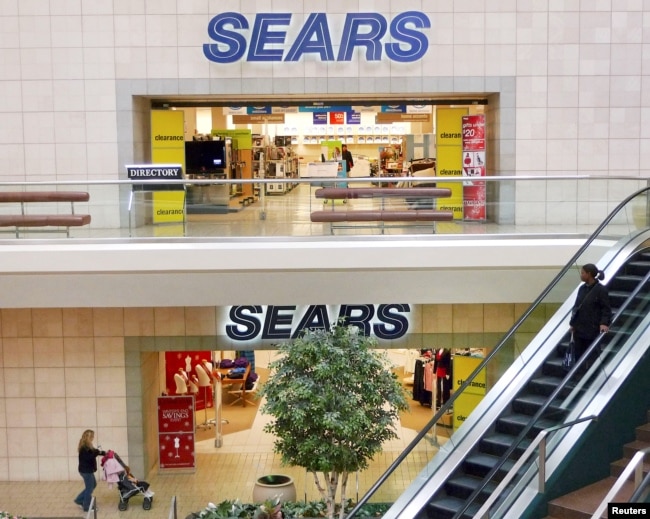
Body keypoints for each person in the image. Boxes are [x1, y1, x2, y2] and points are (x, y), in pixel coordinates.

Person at [569, 263, 612, 366]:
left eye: (583, 273)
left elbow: (606, 309)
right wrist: (573, 324)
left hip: (592, 330)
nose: (581, 275)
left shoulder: (601, 290)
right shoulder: (582, 289)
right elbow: (576, 307)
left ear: (589, 274)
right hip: (579, 330)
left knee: (592, 356)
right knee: (578, 356)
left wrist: (604, 323)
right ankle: (578, 376)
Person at [74, 429, 105, 512]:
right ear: (88, 437)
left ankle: (79, 500)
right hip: (86, 471)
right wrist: (96, 453)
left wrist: (103, 453)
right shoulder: (84, 448)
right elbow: (89, 457)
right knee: (89, 488)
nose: (93, 438)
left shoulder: (88, 446)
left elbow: (94, 452)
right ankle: (87, 507)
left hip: (87, 470)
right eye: (92, 436)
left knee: (93, 485)